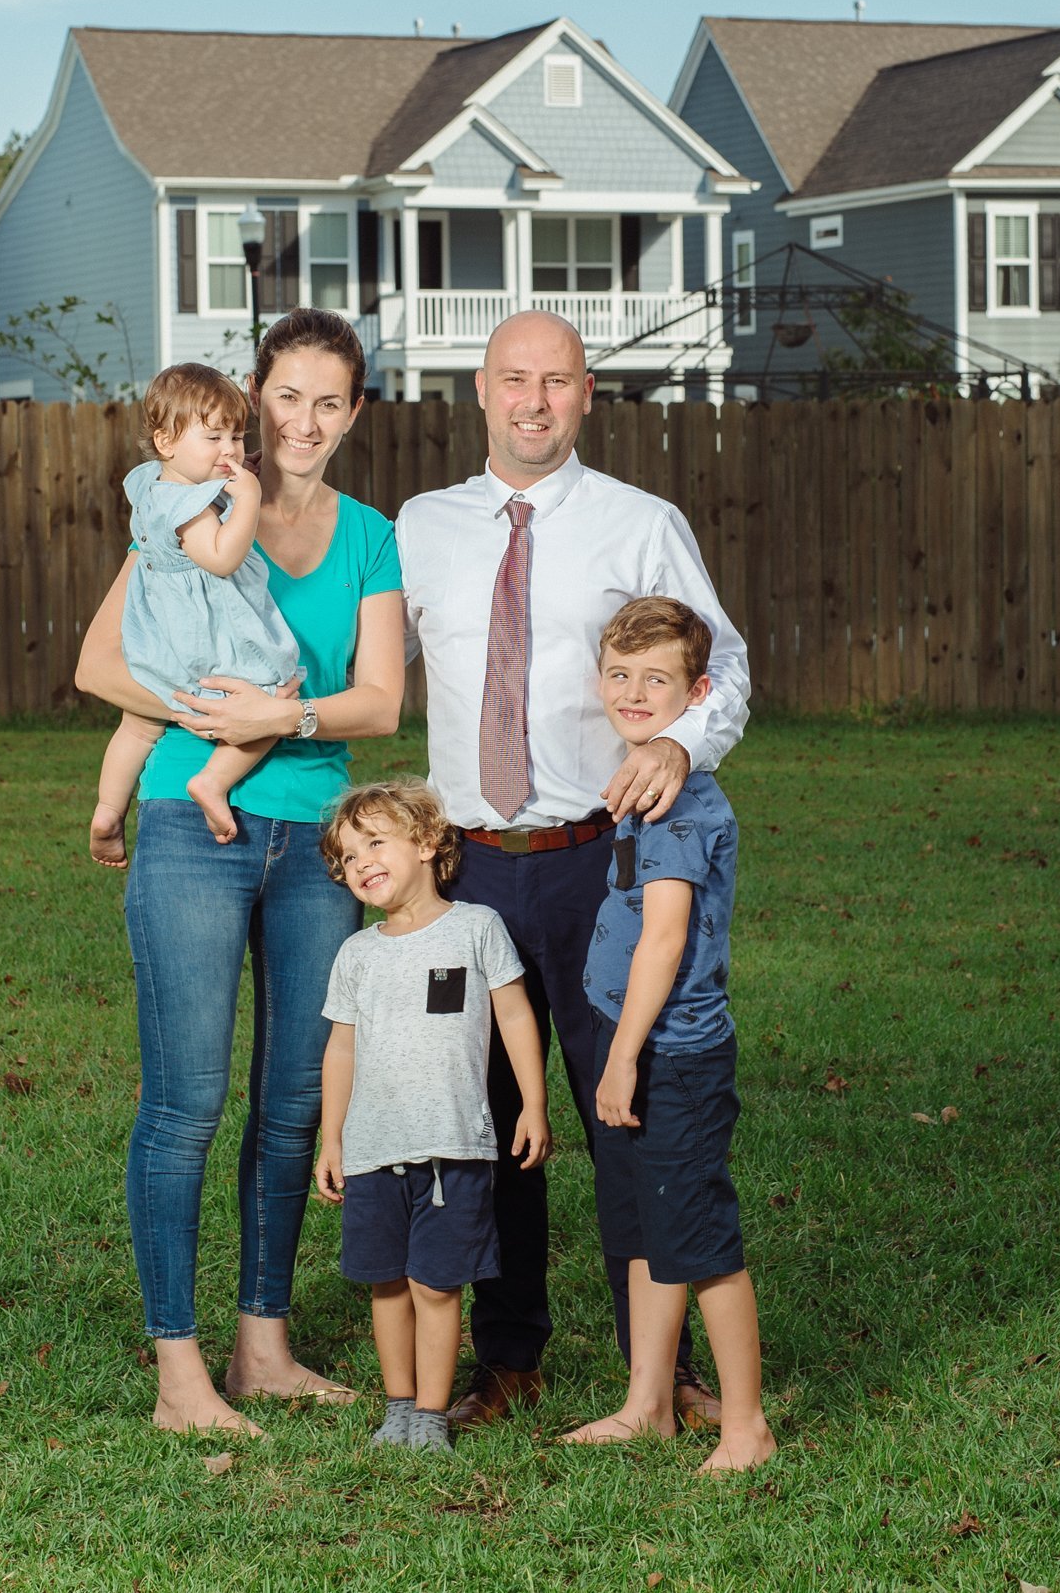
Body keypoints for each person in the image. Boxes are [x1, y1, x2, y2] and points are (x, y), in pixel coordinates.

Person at [395, 311, 751, 1433]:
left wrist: (673, 743)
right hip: (468, 868)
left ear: (587, 393)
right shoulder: (421, 526)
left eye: (556, 380)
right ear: (481, 388)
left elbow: (725, 666)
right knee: (488, 1114)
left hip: (602, 862)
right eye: (514, 378)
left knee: (626, 1111)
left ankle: (668, 1370)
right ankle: (508, 1353)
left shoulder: (641, 524)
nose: (534, 400)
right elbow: (360, 663)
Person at [72, 309, 405, 1437]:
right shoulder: (189, 501)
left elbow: (381, 700)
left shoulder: (370, 535)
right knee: (187, 1102)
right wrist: (211, 708)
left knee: (293, 1100)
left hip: (319, 841)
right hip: (188, 822)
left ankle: (263, 1345)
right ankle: (181, 1375)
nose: (302, 420)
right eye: (285, 395)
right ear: (251, 397)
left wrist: (284, 712)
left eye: (329, 400)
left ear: (353, 412)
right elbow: (97, 662)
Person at [560, 597, 773, 1471]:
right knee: (646, 1228)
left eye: (658, 679)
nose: (635, 693)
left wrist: (618, 1058)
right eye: (620, 675)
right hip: (636, 1036)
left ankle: (746, 1424)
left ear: (698, 692)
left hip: (670, 1053)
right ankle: (648, 1402)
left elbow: (666, 936)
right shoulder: (642, 785)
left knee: (697, 1236)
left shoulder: (677, 805)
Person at [311, 781, 550, 1452]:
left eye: (375, 843)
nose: (361, 863)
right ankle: (398, 1408)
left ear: (426, 843)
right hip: (373, 1149)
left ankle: (432, 1413)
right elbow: (342, 1049)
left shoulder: (477, 927)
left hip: (455, 1148)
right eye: (348, 857)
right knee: (387, 1283)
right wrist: (332, 1139)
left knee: (436, 1284)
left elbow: (514, 1014)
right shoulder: (357, 954)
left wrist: (533, 1101)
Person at [91, 364, 305, 864]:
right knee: (274, 696)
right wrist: (247, 498)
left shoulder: (150, 486)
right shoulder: (192, 504)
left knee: (138, 724)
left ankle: (106, 808)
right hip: (205, 639)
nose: (229, 450)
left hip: (156, 638)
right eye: (213, 437)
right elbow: (222, 557)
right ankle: (213, 781)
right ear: (166, 441)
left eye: (236, 435)